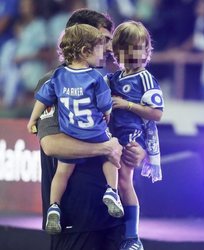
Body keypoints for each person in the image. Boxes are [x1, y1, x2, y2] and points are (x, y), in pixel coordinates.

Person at [34, 9, 146, 250]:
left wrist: (138, 152)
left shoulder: (112, 84)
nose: (109, 48)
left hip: (115, 222)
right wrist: (103, 147)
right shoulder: (53, 82)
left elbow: (126, 136)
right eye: (103, 40)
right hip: (75, 220)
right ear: (82, 42)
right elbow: (52, 145)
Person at [28, 23, 124, 234]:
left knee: (62, 173)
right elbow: (105, 107)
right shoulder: (96, 78)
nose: (105, 53)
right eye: (100, 48)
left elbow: (42, 99)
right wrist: (107, 113)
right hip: (95, 132)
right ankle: (112, 191)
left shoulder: (58, 77)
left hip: (70, 133)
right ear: (85, 51)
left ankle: (54, 207)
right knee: (111, 155)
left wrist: (32, 120)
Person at [107, 20, 164, 250]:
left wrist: (127, 105)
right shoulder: (114, 78)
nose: (135, 53)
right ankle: (116, 230)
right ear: (117, 51)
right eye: (129, 48)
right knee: (110, 181)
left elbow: (157, 114)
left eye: (141, 48)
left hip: (132, 137)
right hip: (111, 136)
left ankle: (133, 237)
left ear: (148, 50)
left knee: (123, 180)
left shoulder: (146, 79)